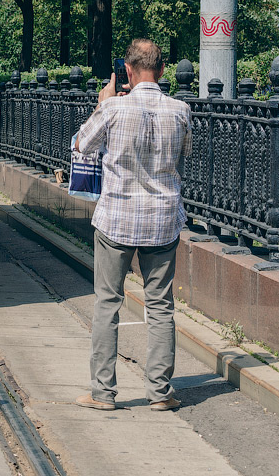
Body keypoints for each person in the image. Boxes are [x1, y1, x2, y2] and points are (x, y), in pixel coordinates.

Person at [73, 39, 191, 413]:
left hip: (117, 219)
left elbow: (81, 146)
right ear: (162, 69)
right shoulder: (180, 110)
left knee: (108, 303)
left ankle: (103, 393)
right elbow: (183, 154)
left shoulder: (113, 109)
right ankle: (160, 393)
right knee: (160, 306)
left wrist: (102, 103)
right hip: (162, 219)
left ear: (127, 70)